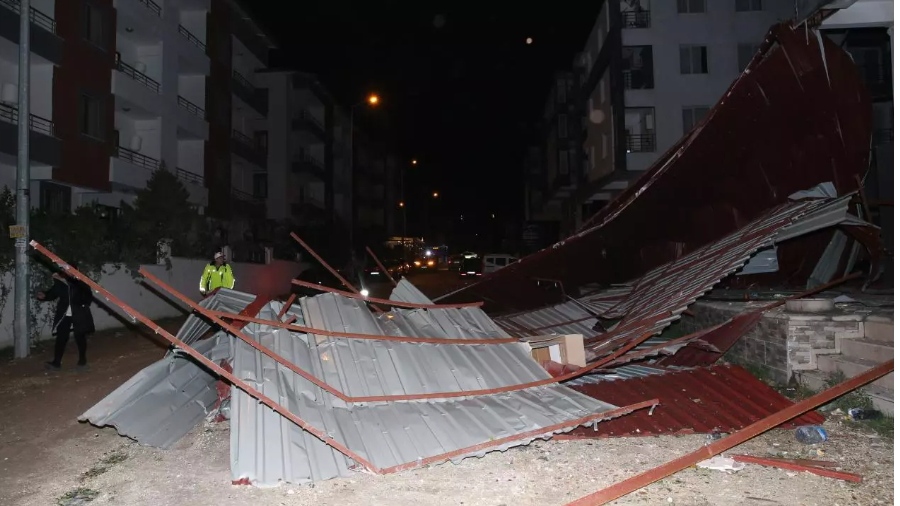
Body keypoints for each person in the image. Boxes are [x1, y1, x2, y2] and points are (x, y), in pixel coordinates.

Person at [36, 263, 95, 371]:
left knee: (80, 337)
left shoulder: (82, 281)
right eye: (64, 269)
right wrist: (44, 296)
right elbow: (53, 293)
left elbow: (87, 297)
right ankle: (56, 363)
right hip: (64, 314)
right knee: (61, 337)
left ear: (75, 270)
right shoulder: (61, 282)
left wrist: (67, 281)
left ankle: (82, 361)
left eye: (68, 269)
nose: (66, 271)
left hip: (79, 312)